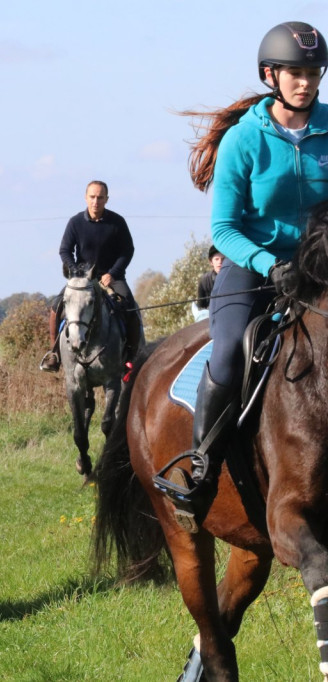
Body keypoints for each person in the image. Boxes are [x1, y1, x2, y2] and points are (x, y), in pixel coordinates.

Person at [154, 21, 328, 532]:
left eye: (314, 72)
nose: (306, 82)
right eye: (296, 72)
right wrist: (270, 265)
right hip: (254, 270)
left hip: (321, 269)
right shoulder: (244, 140)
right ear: (271, 75)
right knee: (228, 351)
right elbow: (225, 229)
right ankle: (202, 470)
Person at [39, 180, 142, 372]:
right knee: (56, 306)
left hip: (112, 277)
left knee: (129, 305)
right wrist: (75, 271)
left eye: (100, 197)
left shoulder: (117, 222)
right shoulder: (75, 222)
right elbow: (65, 250)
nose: (96, 201)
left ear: (107, 199)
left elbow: (127, 251)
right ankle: (54, 354)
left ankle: (130, 355)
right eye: (92, 197)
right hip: (82, 279)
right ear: (86, 198)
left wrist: (112, 273)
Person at [192, 245, 224, 321]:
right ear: (211, 262)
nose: (220, 262)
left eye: (223, 259)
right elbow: (201, 305)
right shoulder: (204, 280)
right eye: (216, 259)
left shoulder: (233, 277)